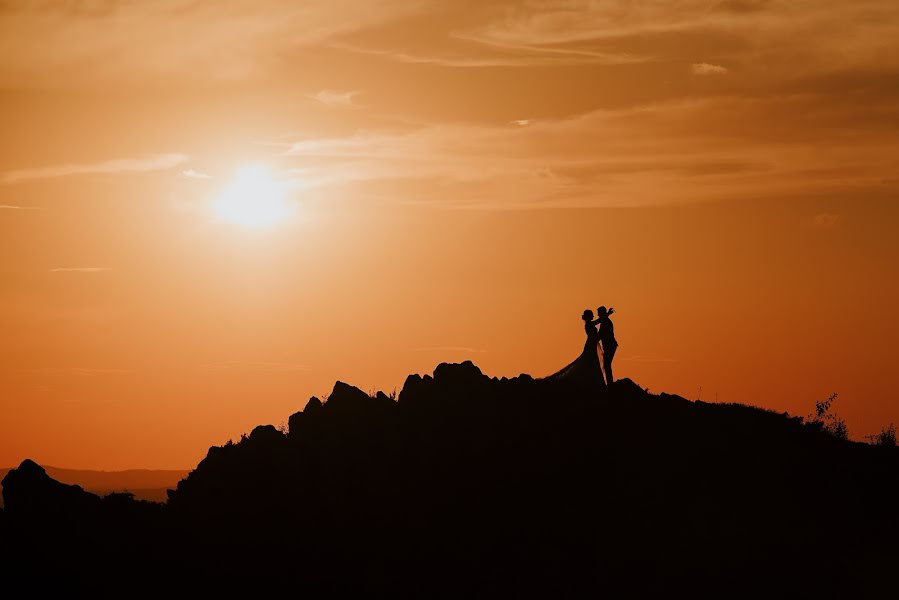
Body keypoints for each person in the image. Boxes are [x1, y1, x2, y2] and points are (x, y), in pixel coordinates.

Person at [548, 309, 604, 383]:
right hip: (590, 345)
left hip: (592, 344)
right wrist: (607, 314)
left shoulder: (589, 324)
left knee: (593, 363)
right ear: (588, 316)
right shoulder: (588, 324)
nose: (592, 316)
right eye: (591, 315)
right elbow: (598, 321)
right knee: (591, 362)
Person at [596, 306, 618, 385]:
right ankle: (610, 383)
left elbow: (601, 334)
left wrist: (593, 340)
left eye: (599, 314)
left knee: (607, 365)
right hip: (609, 346)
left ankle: (610, 383)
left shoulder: (606, 322)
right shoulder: (605, 321)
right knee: (607, 365)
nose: (598, 315)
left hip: (610, 346)